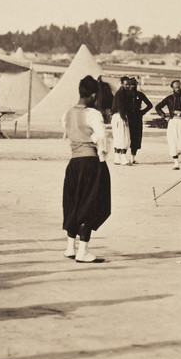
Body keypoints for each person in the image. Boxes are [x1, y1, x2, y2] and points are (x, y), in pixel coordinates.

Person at [61, 76, 112, 263]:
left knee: (73, 202)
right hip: (90, 162)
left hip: (73, 163)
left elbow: (67, 134)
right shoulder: (93, 114)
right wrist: (102, 158)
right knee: (90, 203)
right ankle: (83, 251)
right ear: (92, 95)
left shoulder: (67, 113)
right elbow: (101, 140)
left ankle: (70, 248)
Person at [125, 77, 153, 164]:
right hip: (128, 117)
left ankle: (133, 158)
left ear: (136, 85)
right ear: (128, 85)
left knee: (136, 137)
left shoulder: (140, 94)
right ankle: (123, 157)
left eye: (134, 84)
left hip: (137, 117)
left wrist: (142, 112)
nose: (133, 86)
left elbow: (150, 105)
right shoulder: (125, 94)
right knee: (126, 136)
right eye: (131, 85)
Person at [110, 77, 132, 166]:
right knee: (124, 137)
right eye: (126, 84)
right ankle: (123, 158)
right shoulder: (121, 94)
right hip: (120, 116)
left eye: (129, 84)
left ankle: (117, 157)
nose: (128, 86)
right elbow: (120, 107)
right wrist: (124, 118)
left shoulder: (121, 93)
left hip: (117, 116)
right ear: (122, 84)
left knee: (118, 137)